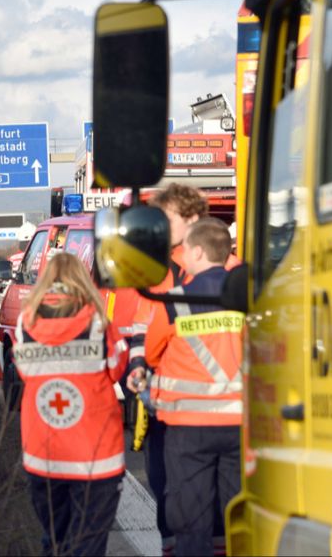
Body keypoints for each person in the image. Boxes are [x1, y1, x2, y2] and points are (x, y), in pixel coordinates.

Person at [129, 218, 243, 557]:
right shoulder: (248, 296)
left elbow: (151, 353)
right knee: (236, 515)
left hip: (188, 426)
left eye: (186, 250)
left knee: (191, 517)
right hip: (241, 424)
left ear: (198, 252)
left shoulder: (176, 301)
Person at [13, 252, 129, 556]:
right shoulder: (98, 321)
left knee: (54, 542)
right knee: (88, 545)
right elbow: (117, 367)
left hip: (44, 452)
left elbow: (24, 371)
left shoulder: (26, 321)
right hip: (95, 455)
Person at [126, 182, 210, 554]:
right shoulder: (160, 269)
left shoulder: (214, 266)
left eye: (167, 219)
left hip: (195, 404)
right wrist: (136, 364)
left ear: (191, 218)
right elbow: (142, 325)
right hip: (174, 401)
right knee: (167, 489)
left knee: (191, 497)